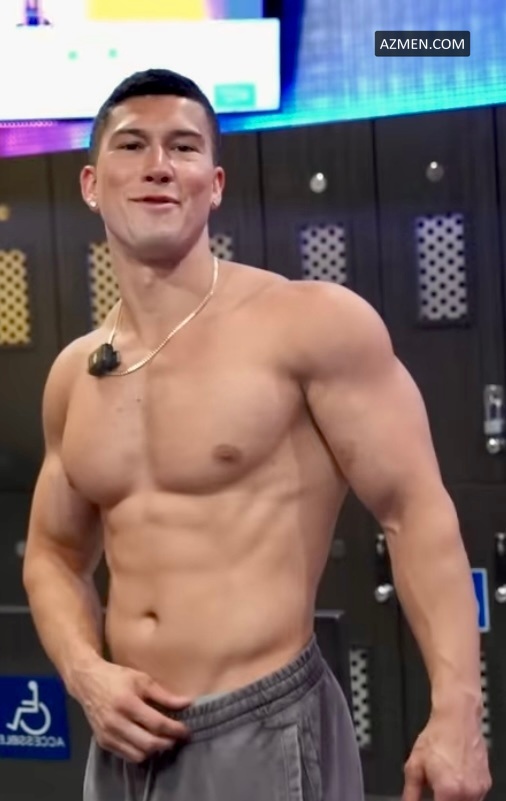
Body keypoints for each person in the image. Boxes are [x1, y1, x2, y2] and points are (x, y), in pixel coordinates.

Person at [22, 68, 491, 801]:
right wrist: (86, 674)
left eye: (183, 147)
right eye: (132, 145)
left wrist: (458, 713)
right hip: (121, 739)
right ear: (90, 183)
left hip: (263, 727)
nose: (158, 166)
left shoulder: (309, 325)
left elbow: (416, 513)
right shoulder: (74, 375)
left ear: (214, 185)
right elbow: (53, 555)